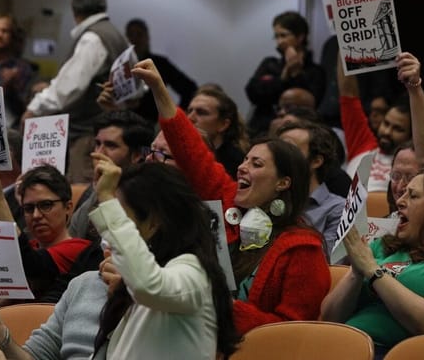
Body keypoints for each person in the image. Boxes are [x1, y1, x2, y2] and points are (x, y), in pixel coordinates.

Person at [132, 58, 331, 335]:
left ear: (283, 183)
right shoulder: (228, 201)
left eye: (256, 164)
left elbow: (295, 331)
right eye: (245, 160)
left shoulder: (303, 249)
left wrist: (222, 308)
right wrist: (158, 89)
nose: (241, 167)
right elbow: (191, 151)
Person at [89, 158, 240, 359]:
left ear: (153, 222)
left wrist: (107, 199)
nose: (111, 234)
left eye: (121, 217)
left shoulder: (194, 273)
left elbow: (148, 285)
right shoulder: (139, 283)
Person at [320, 168, 424, 356]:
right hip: (341, 345)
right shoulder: (381, 246)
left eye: (413, 196)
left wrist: (373, 271)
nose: (399, 201)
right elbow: (330, 317)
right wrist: (356, 273)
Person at [23, 0, 128, 183]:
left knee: (82, 195)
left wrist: (33, 109)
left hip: (87, 137)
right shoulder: (114, 33)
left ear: (73, 8)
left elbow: (68, 90)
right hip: (106, 134)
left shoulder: (93, 38)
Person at [0, 247, 123, 360]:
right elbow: (36, 357)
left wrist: (128, 297)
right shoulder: (82, 284)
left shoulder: (146, 303)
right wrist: (1, 337)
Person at [0, 164, 91, 301]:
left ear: (68, 208)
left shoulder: (79, 249)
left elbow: (29, 264)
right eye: (29, 208)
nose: (36, 215)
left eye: (46, 205)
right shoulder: (32, 246)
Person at [68, 109, 154, 241]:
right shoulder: (93, 189)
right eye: (97, 144)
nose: (98, 153)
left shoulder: (147, 199)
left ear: (136, 155)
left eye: (111, 146)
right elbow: (76, 238)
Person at [337, 52, 414, 191]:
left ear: (411, 135)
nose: (387, 132)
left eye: (398, 129)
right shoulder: (363, 144)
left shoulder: (415, 164)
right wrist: (344, 39)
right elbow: (348, 93)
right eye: (386, 123)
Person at [245, 11, 326, 138]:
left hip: (297, 133)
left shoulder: (315, 71)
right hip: (261, 131)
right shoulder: (269, 64)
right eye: (276, 36)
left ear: (300, 37)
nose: (279, 41)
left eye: (284, 35)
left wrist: (296, 73)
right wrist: (283, 77)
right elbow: (252, 93)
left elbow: (310, 104)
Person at [276, 120, 345, 260]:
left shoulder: (338, 208)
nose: (278, 157)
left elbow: (327, 262)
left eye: (289, 148)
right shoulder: (267, 197)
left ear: (316, 161)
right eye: (277, 149)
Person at [124, 18, 198, 123]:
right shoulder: (120, 64)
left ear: (147, 38)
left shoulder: (159, 64)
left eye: (139, 34)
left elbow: (190, 89)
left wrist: (174, 116)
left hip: (149, 125)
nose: (135, 39)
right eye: (131, 35)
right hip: (123, 124)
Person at [187, 85, 249, 178]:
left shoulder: (237, 164)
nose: (190, 118)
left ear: (223, 124)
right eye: (189, 111)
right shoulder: (178, 149)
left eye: (201, 112)